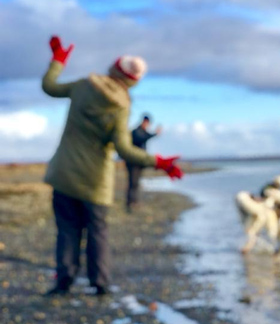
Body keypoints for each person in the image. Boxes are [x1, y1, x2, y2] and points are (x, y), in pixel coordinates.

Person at [42, 35, 184, 296]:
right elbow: (124, 149)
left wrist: (58, 61)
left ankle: (64, 280)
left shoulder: (84, 85)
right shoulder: (120, 106)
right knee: (97, 232)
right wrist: (158, 161)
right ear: (133, 81)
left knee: (67, 229)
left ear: (114, 67)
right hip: (95, 181)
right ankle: (100, 282)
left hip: (64, 173)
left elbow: (50, 87)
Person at [125, 114, 162, 212]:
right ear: (144, 121)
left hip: (139, 162)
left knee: (136, 183)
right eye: (147, 123)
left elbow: (146, 136)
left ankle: (134, 201)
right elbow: (142, 138)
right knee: (133, 182)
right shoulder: (136, 131)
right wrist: (154, 134)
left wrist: (155, 134)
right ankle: (130, 203)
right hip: (133, 162)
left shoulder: (143, 132)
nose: (147, 125)